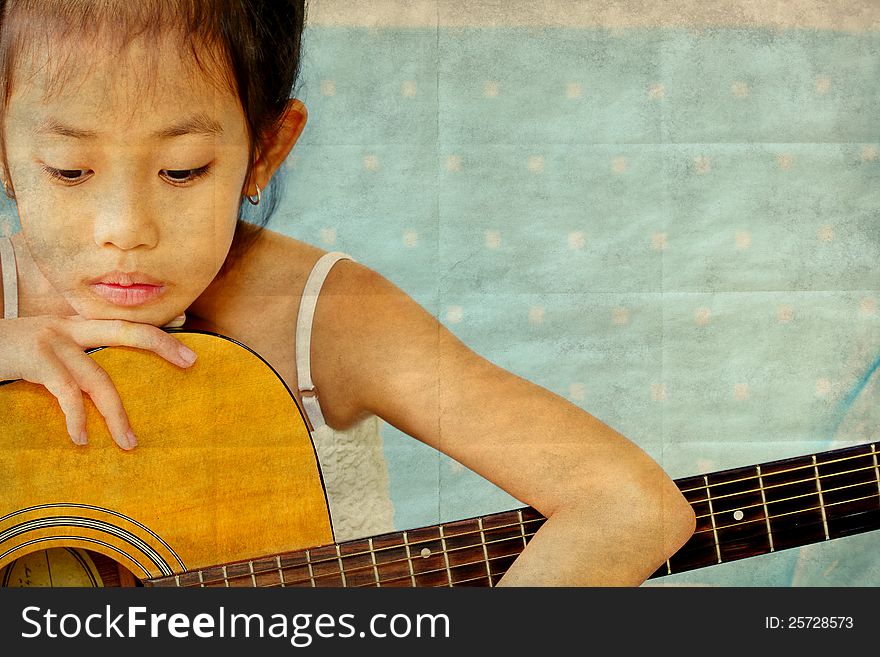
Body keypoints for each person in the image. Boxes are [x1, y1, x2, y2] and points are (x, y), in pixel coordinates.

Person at [0, 0, 695, 586]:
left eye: (183, 171)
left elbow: (630, 503)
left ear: (266, 150)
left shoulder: (327, 318)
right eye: (69, 169)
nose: (125, 229)